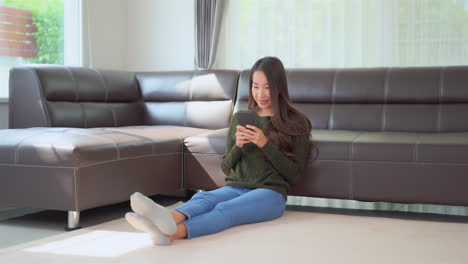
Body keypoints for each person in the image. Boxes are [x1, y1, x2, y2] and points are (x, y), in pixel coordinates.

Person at [125, 56, 313, 245]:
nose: (261, 94)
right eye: (255, 86)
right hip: (236, 187)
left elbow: (294, 174)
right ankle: (165, 218)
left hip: (271, 194)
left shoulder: (296, 122)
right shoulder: (241, 118)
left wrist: (265, 144)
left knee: (226, 209)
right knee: (203, 198)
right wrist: (239, 146)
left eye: (267, 87)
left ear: (279, 87)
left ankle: (169, 233)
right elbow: (226, 167)